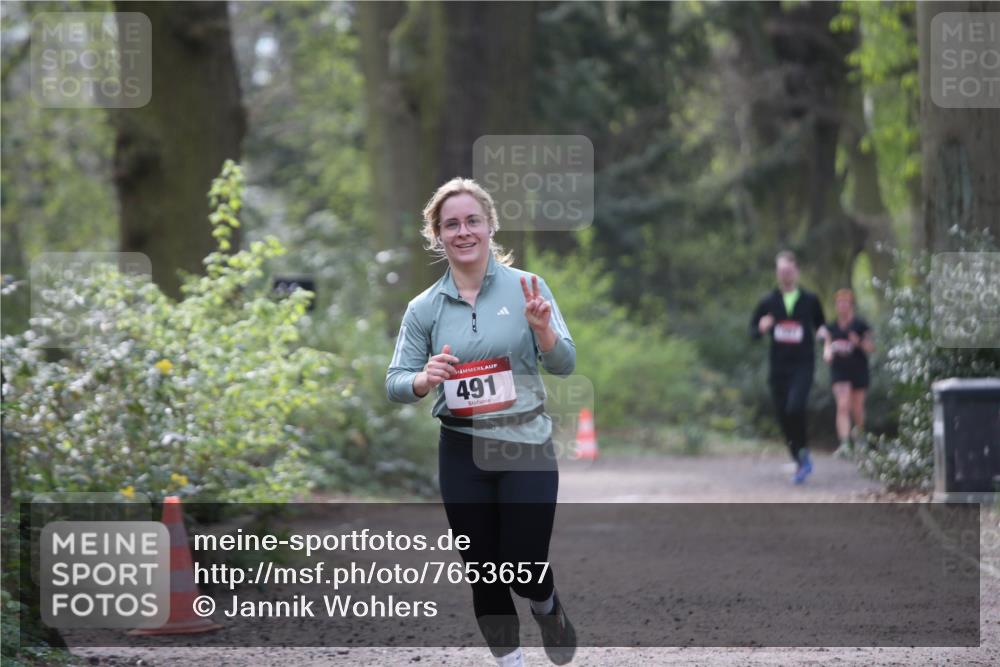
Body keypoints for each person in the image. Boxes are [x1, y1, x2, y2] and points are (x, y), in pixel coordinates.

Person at [385, 177, 577, 667]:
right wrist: (424, 380)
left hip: (525, 445)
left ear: (490, 226)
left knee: (524, 567)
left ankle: (547, 605)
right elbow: (395, 382)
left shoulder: (528, 287)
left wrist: (544, 333)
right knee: (484, 571)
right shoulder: (424, 308)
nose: (463, 231)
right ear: (437, 235)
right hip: (462, 450)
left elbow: (565, 364)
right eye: (451, 224)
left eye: (472, 220)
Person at [750, 251, 827, 484]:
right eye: (781, 271)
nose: (785, 275)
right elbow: (752, 332)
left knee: (795, 407)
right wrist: (761, 327)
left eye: (789, 270)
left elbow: (821, 325)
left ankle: (802, 456)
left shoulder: (810, 300)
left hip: (803, 365)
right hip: (778, 368)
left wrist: (824, 337)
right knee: (783, 415)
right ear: (777, 273)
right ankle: (799, 457)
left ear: (796, 272)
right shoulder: (768, 302)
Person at [822, 288, 875, 458]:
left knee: (857, 408)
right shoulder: (831, 327)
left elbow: (871, 347)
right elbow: (827, 347)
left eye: (846, 303)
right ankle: (845, 443)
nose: (842, 306)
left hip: (858, 370)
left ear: (851, 305)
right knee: (843, 405)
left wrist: (858, 342)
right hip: (839, 371)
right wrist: (828, 353)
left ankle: (859, 438)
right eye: (839, 303)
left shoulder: (860, 325)